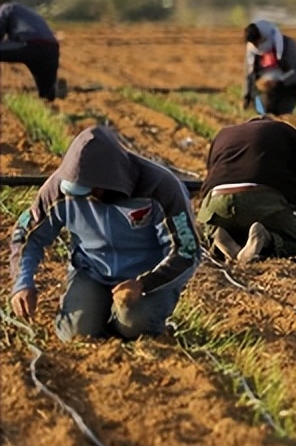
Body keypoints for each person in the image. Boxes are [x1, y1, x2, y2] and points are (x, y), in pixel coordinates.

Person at [9, 126, 200, 341]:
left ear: (110, 181)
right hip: (93, 271)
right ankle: (98, 313)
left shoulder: (159, 187)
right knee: (76, 333)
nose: (85, 198)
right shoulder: (57, 189)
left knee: (135, 327)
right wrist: (23, 282)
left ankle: (144, 322)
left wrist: (144, 284)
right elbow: (26, 235)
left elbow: (186, 250)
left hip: (145, 277)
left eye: (90, 191)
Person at [198, 115, 296, 263]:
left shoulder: (223, 134)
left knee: (205, 230)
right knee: (295, 242)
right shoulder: (287, 132)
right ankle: (265, 238)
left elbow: (208, 184)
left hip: (217, 201)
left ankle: (218, 236)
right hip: (264, 201)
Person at [0, 0, 66, 101]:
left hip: (30, 45)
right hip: (51, 49)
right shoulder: (32, 14)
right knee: (46, 93)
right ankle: (53, 90)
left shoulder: (6, 8)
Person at [244, 20, 296, 115]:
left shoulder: (288, 45)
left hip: (286, 90)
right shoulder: (253, 52)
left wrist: (278, 83)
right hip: (264, 95)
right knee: (262, 113)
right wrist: (247, 96)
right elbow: (249, 75)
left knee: (283, 114)